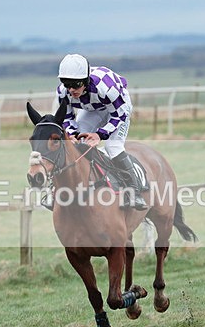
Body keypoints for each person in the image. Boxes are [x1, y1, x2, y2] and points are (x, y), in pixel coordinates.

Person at [55, 53, 147, 210]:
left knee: (113, 147)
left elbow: (119, 115)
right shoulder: (63, 92)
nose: (71, 89)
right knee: (80, 143)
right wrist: (72, 134)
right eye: (66, 84)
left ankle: (134, 192)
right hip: (92, 109)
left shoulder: (105, 87)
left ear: (85, 80)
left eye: (76, 84)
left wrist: (99, 134)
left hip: (119, 109)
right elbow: (67, 118)